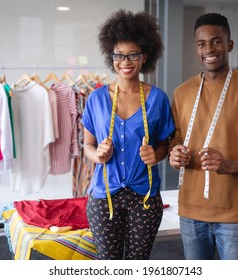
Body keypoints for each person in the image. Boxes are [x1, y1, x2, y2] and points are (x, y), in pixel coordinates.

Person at [169, 12, 238, 260]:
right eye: (201, 43)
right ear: (196, 48)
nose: (209, 49)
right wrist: (174, 154)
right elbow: (176, 140)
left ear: (229, 45)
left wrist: (229, 165)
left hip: (235, 213)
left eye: (216, 41)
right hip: (190, 211)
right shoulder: (182, 93)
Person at [82, 9, 175, 260]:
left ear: (144, 56)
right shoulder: (97, 98)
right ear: (110, 56)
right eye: (119, 55)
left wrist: (155, 154)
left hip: (144, 197)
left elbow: (165, 144)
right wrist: (98, 154)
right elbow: (87, 146)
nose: (125, 62)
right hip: (104, 196)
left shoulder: (157, 98)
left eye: (133, 54)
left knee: (138, 264)